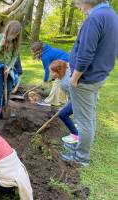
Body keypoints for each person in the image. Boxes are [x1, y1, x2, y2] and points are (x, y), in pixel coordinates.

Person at [60, 0, 118, 166]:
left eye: (78, 3)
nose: (78, 7)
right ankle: (81, 148)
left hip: (86, 79)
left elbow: (86, 54)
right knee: (89, 115)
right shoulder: (112, 15)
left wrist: (74, 78)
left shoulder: (94, 18)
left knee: (84, 120)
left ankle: (81, 156)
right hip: (99, 76)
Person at [0, 20, 21, 119]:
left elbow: (15, 56)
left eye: (15, 35)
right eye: (12, 34)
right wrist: (0, 46)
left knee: (9, 89)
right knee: (0, 89)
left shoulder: (15, 42)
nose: (13, 37)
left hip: (8, 68)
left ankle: (5, 108)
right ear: (8, 31)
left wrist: (10, 66)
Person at [49, 60, 79, 144]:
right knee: (66, 111)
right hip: (79, 97)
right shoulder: (66, 70)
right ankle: (78, 126)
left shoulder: (65, 83)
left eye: (51, 72)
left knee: (63, 114)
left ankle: (75, 135)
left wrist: (67, 106)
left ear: (58, 72)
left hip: (79, 99)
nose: (50, 74)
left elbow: (72, 97)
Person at [31, 42, 69, 106]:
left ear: (38, 50)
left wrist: (45, 80)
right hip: (67, 62)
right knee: (60, 81)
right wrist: (52, 77)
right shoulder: (47, 50)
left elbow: (47, 69)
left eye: (34, 52)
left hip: (65, 63)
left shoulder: (45, 56)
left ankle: (50, 101)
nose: (33, 54)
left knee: (57, 82)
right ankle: (61, 100)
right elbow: (51, 67)